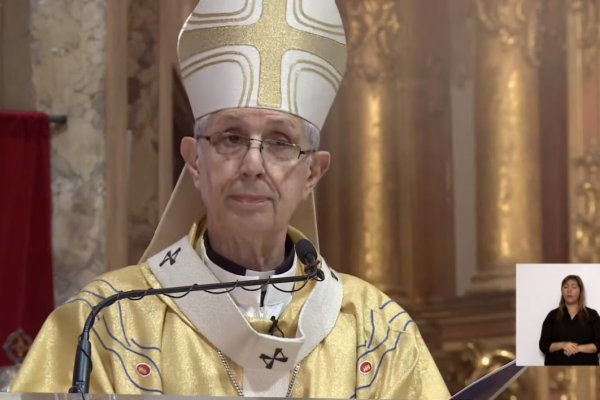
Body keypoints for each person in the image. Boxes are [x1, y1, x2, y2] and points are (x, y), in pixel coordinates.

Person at [11, 1, 450, 398]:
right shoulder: (106, 322)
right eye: (231, 138)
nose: (253, 164)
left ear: (312, 172)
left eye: (280, 142)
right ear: (195, 161)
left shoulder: (374, 331)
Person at [539, 275, 600, 365]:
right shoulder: (552, 315)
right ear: (562, 291)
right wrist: (563, 345)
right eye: (566, 287)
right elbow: (544, 345)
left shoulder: (592, 315)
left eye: (574, 287)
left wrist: (577, 348)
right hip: (555, 370)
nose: (569, 291)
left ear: (580, 291)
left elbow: (599, 344)